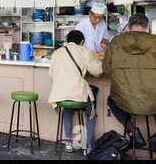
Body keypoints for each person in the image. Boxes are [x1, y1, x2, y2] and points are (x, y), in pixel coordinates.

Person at [103, 13, 156, 149]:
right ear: (148, 27)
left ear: (129, 27)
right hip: (152, 96)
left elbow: (107, 69)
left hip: (124, 96)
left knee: (112, 101)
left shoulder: (116, 41)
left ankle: (133, 132)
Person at [48, 30, 103, 154]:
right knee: (92, 114)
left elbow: (51, 74)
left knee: (67, 111)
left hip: (59, 94)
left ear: (68, 41)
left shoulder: (57, 52)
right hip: (77, 93)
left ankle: (68, 143)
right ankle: (88, 146)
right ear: (82, 42)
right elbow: (97, 71)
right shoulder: (83, 50)